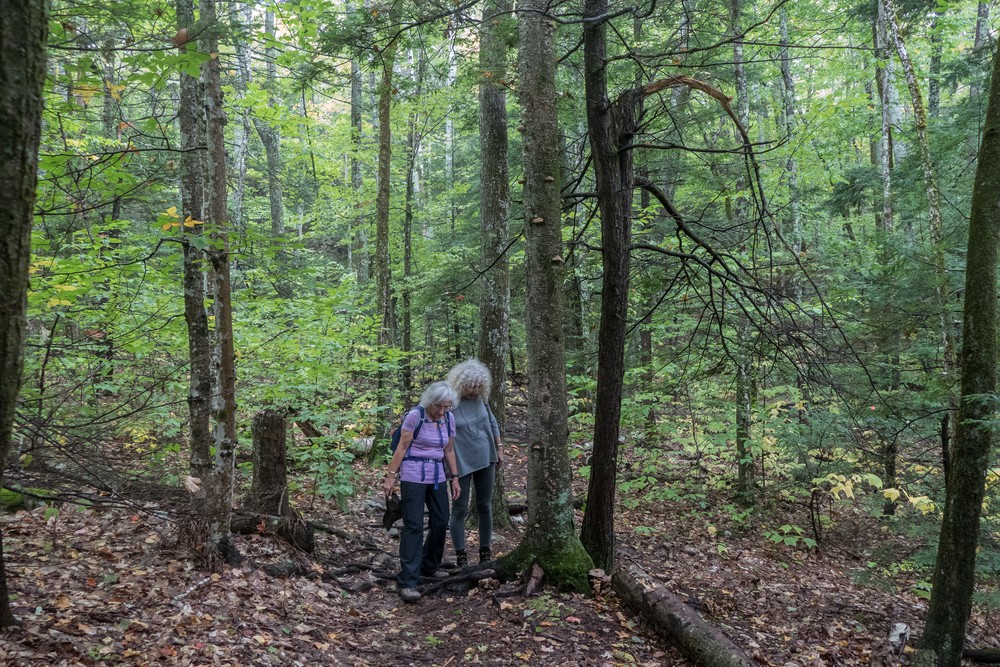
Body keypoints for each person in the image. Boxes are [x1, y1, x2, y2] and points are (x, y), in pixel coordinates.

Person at [382, 381, 461, 603]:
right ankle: (408, 580)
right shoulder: (415, 416)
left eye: (446, 407)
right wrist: (390, 477)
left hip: (437, 476)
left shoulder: (448, 419)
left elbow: (449, 449)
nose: (442, 411)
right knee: (414, 525)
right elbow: (402, 448)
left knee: (441, 520)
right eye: (439, 407)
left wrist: (455, 477)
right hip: (413, 475)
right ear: (430, 402)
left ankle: (429, 565)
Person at [447, 359, 504, 567]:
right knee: (459, 509)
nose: (475, 391)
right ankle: (461, 556)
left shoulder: (481, 400)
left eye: (479, 387)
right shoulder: (450, 402)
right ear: (462, 383)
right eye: (471, 387)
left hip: (486, 456)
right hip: (460, 460)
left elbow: (491, 421)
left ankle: (485, 552)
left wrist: (499, 447)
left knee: (484, 505)